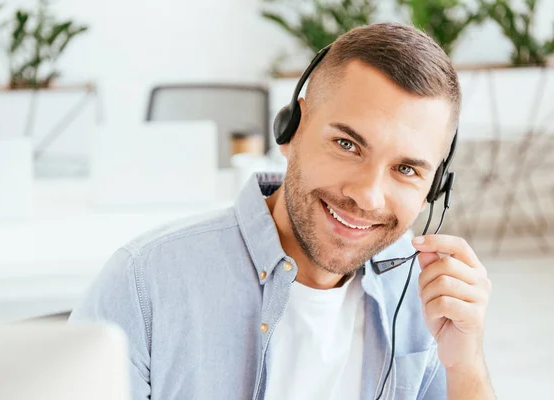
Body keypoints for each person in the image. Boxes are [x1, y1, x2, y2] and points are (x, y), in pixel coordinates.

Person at [69, 22, 495, 400]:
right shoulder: (146, 284)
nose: (368, 196)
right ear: (293, 129)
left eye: (406, 169)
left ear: (432, 190)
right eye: (347, 144)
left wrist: (466, 365)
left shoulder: (423, 295)